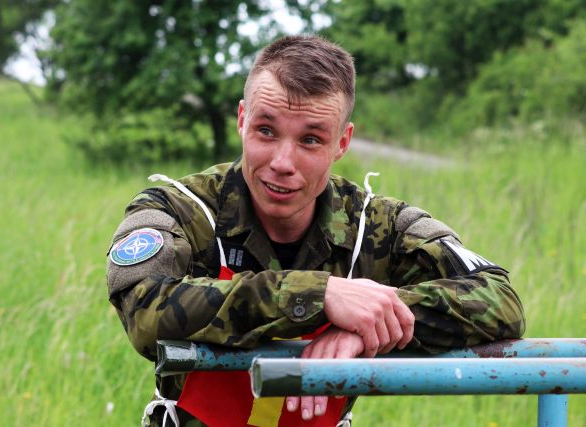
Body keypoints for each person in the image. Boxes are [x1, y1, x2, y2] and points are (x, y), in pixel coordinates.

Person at [106, 35, 525, 427]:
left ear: (342, 143)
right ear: (242, 119)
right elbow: (145, 310)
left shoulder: (374, 224)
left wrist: (370, 319)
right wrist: (318, 296)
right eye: (266, 131)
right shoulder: (178, 209)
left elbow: (499, 299)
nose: (282, 163)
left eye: (310, 140)